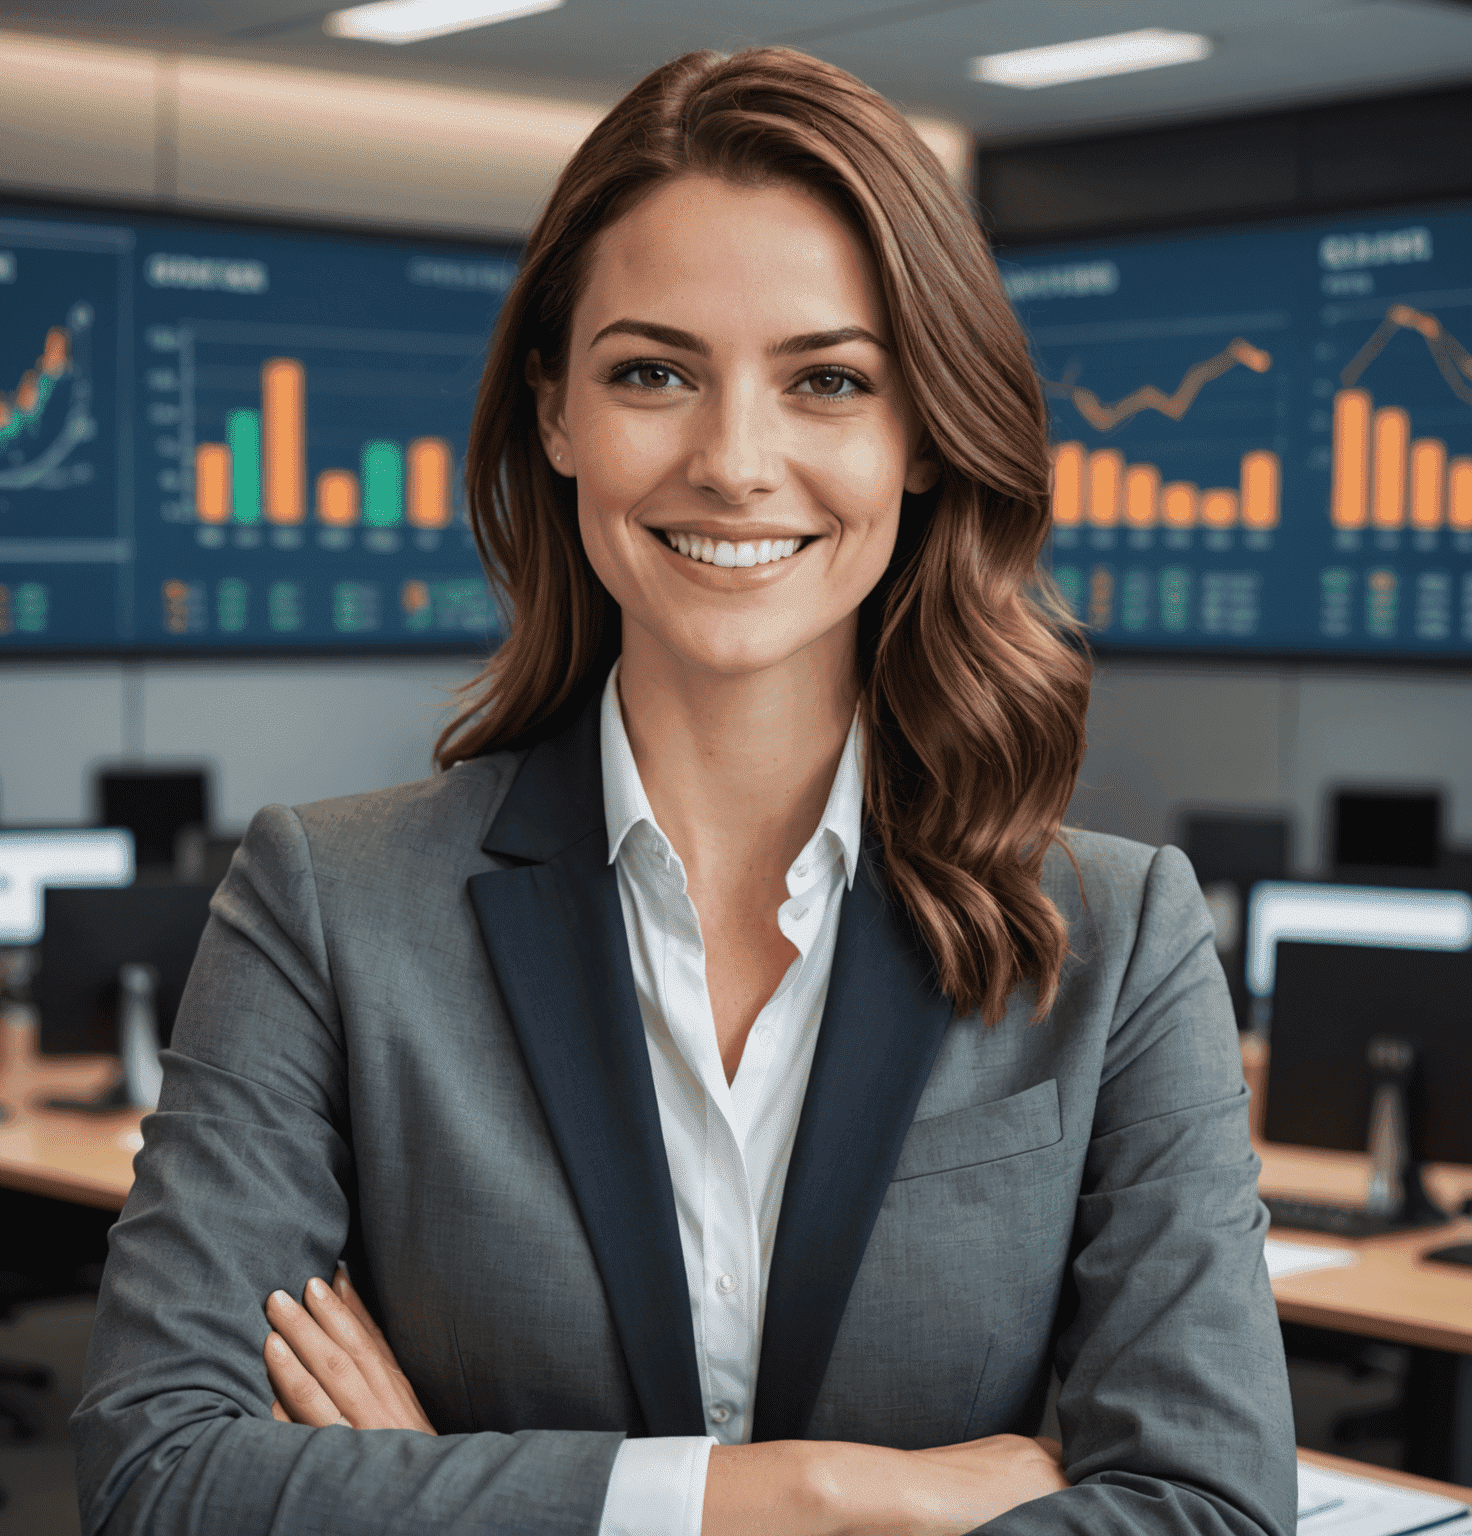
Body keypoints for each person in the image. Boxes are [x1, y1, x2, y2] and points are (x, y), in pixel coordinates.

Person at [72, 46, 1295, 1536]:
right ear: (556, 415)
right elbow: (162, 1480)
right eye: (653, 373)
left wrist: (435, 1491)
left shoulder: (1116, 939)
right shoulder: (326, 907)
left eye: (828, 381)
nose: (733, 461)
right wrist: (824, 1499)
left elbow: (1211, 1511)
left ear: (919, 438)